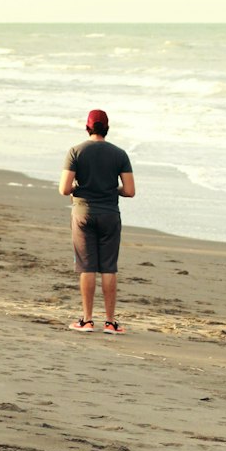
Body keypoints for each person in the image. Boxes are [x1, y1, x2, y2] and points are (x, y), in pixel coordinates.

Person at [59, 109, 135, 333]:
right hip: (110, 214)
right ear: (107, 129)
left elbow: (64, 188)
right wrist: (112, 189)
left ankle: (87, 320)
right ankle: (111, 322)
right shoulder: (119, 154)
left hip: (83, 213)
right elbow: (130, 191)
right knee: (109, 268)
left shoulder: (75, 151)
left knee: (87, 267)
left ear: (87, 127)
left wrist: (79, 189)